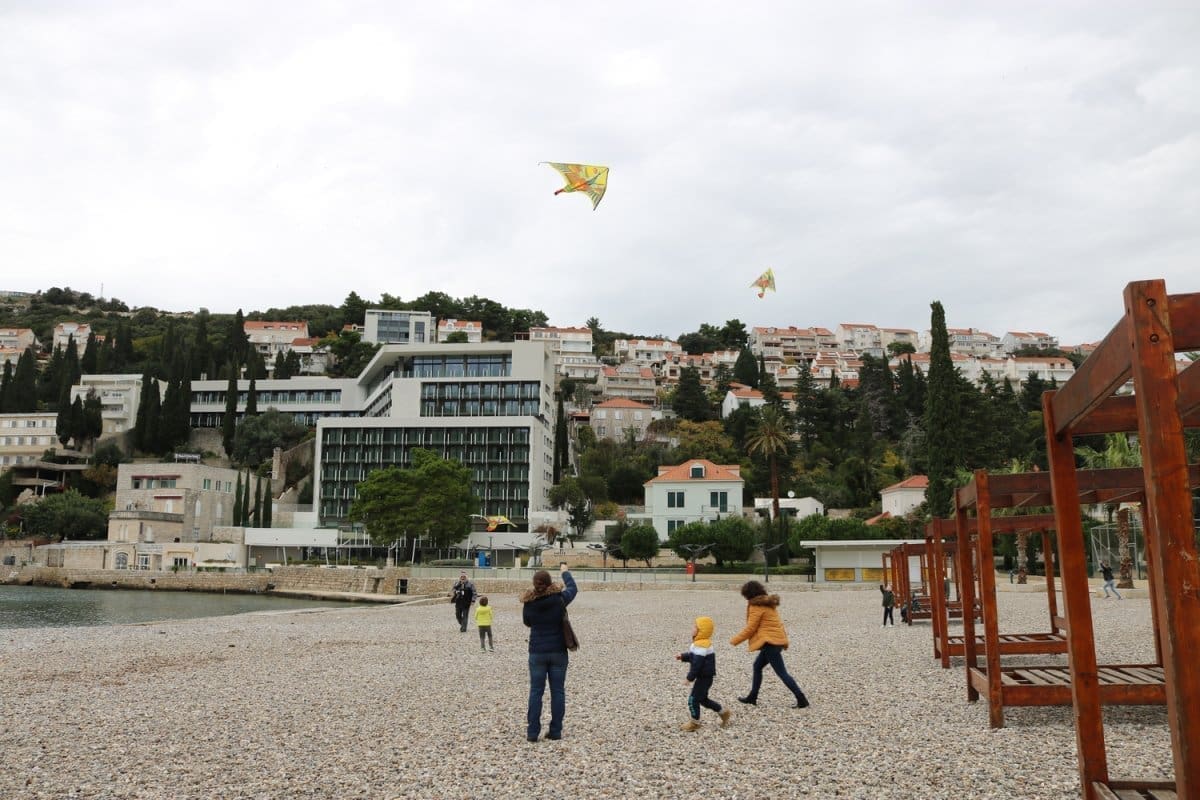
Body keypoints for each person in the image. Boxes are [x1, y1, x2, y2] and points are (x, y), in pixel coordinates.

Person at [729, 580, 810, 708]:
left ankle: (801, 699)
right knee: (757, 666)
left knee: (782, 672)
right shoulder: (767, 603)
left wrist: (735, 640)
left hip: (770, 643)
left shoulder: (756, 606)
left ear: (748, 594)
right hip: (775, 641)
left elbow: (751, 628)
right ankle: (752, 696)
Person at [521, 562, 578, 742]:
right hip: (558, 651)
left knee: (536, 691)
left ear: (534, 584)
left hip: (537, 651)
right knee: (557, 691)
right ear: (549, 582)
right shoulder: (560, 599)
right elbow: (574, 588)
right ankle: (555, 731)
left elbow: (527, 622)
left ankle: (532, 732)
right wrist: (565, 572)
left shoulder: (529, 603)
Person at [675, 616, 732, 731]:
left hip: (704, 678)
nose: (692, 629)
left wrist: (689, 678)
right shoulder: (701, 643)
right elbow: (693, 656)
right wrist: (683, 656)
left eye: (695, 627)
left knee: (693, 699)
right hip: (706, 677)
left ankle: (695, 722)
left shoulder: (701, 645)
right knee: (703, 700)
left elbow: (697, 664)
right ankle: (723, 712)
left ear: (701, 630)